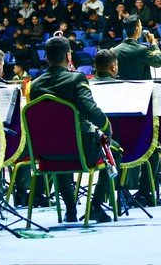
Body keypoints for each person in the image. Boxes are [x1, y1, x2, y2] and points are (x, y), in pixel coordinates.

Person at [29, 36, 119, 223]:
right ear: (69, 56)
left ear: (46, 57)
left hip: (45, 153)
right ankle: (95, 206)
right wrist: (107, 127)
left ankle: (71, 209)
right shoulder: (76, 78)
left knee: (58, 144)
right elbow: (91, 110)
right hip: (79, 152)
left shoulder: (35, 85)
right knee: (116, 151)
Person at [111, 15, 161, 205]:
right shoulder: (142, 50)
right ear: (137, 29)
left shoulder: (113, 51)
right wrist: (154, 43)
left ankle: (119, 191)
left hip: (119, 109)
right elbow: (158, 61)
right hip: (141, 108)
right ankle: (145, 192)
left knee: (119, 147)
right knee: (152, 148)